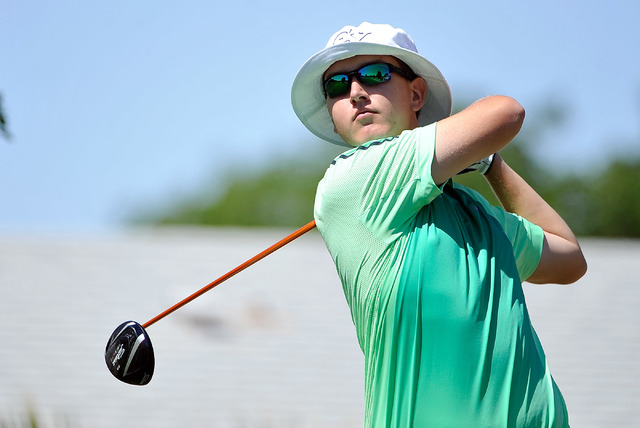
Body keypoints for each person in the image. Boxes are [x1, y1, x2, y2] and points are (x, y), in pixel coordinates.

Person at [291, 22, 587, 427]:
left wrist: (491, 166)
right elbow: (503, 113)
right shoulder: (353, 180)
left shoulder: (474, 213)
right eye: (338, 85)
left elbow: (569, 259)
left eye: (374, 75)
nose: (356, 92)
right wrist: (471, 148)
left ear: (416, 94)